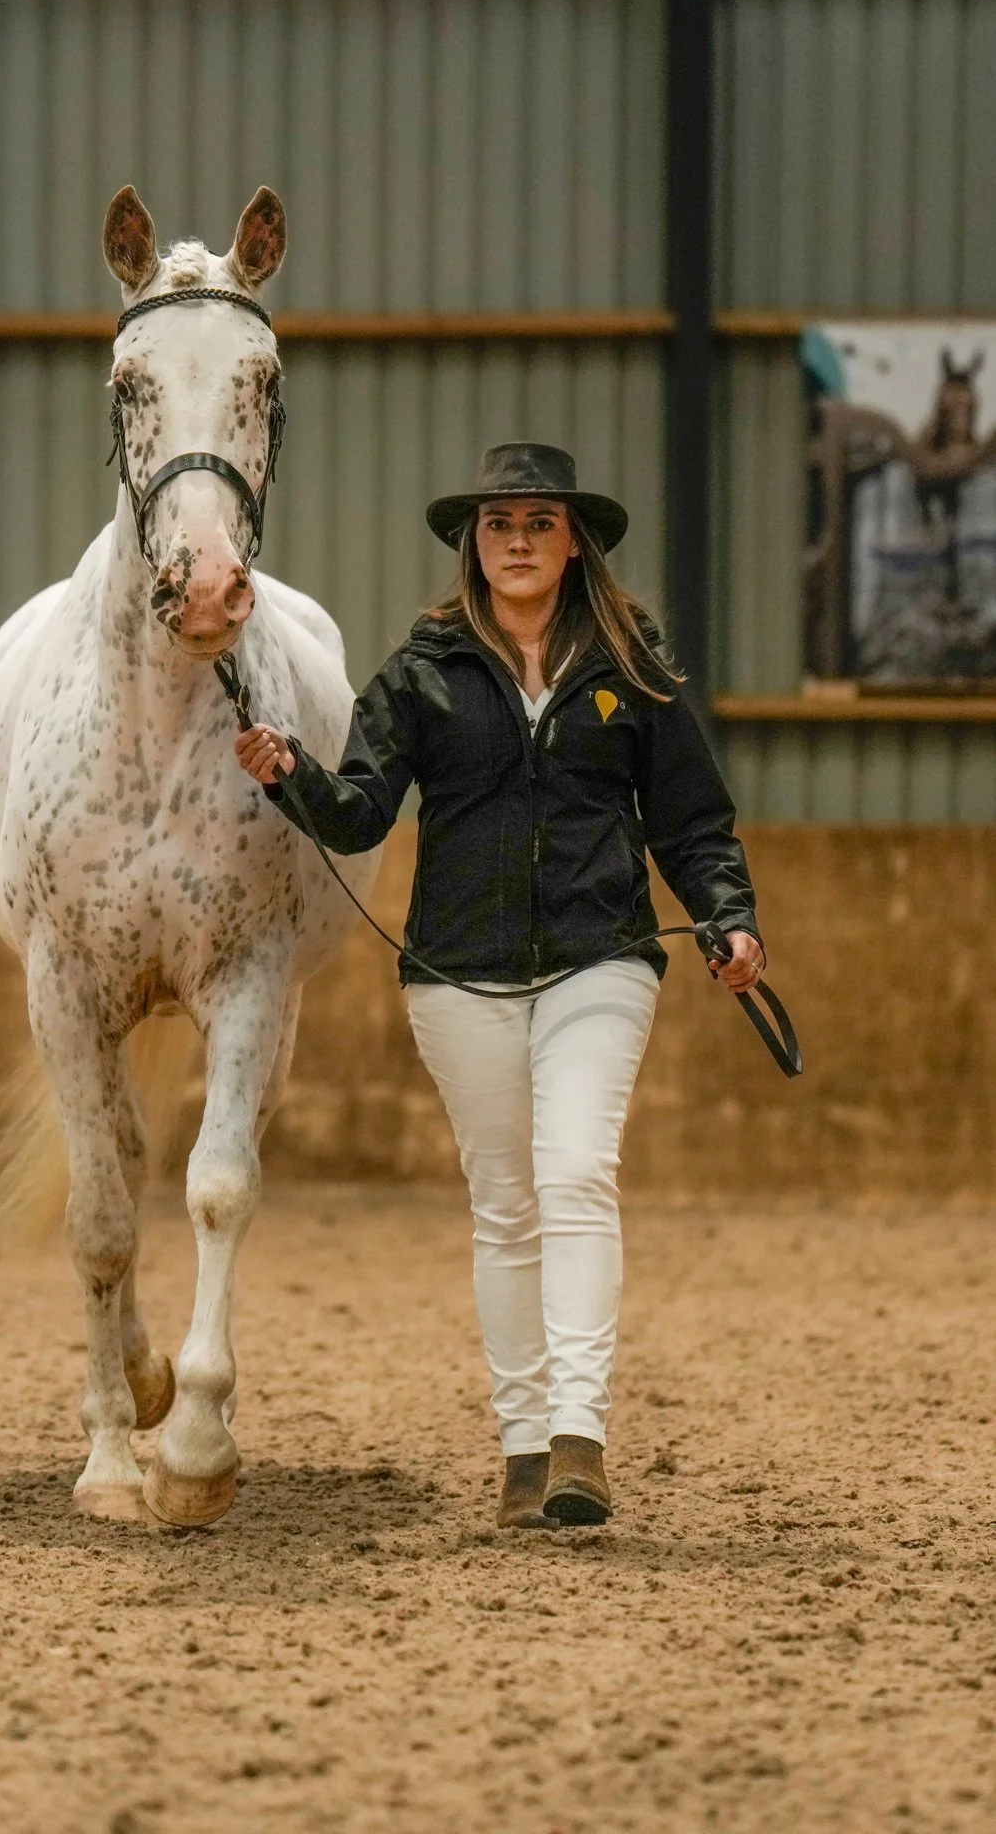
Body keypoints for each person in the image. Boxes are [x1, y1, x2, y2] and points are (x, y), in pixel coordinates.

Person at [234, 443, 764, 1529]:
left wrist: (729, 912)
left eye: (537, 521)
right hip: (455, 972)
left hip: (600, 953)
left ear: (575, 541)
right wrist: (291, 772)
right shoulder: (423, 668)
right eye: (497, 524)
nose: (516, 540)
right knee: (504, 1206)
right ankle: (522, 1446)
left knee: (575, 1173)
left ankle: (579, 1436)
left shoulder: (633, 665)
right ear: (473, 543)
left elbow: (693, 818)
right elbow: (361, 813)